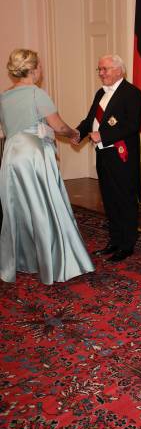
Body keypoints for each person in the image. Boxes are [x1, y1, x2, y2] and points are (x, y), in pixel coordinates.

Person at [0, 49, 94, 285]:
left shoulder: (4, 95)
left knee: (18, 208)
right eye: (39, 65)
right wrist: (74, 134)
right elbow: (59, 126)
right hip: (32, 155)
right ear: (32, 70)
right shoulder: (36, 93)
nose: (42, 69)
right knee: (44, 205)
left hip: (11, 155)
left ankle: (22, 259)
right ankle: (53, 261)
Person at [74, 54, 141, 262]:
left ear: (119, 70)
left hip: (122, 156)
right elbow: (90, 120)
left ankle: (127, 244)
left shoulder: (132, 94)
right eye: (100, 69)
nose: (101, 73)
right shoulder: (100, 93)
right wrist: (77, 132)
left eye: (105, 69)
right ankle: (114, 240)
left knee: (125, 199)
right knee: (109, 199)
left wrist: (102, 135)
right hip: (103, 154)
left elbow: (132, 126)